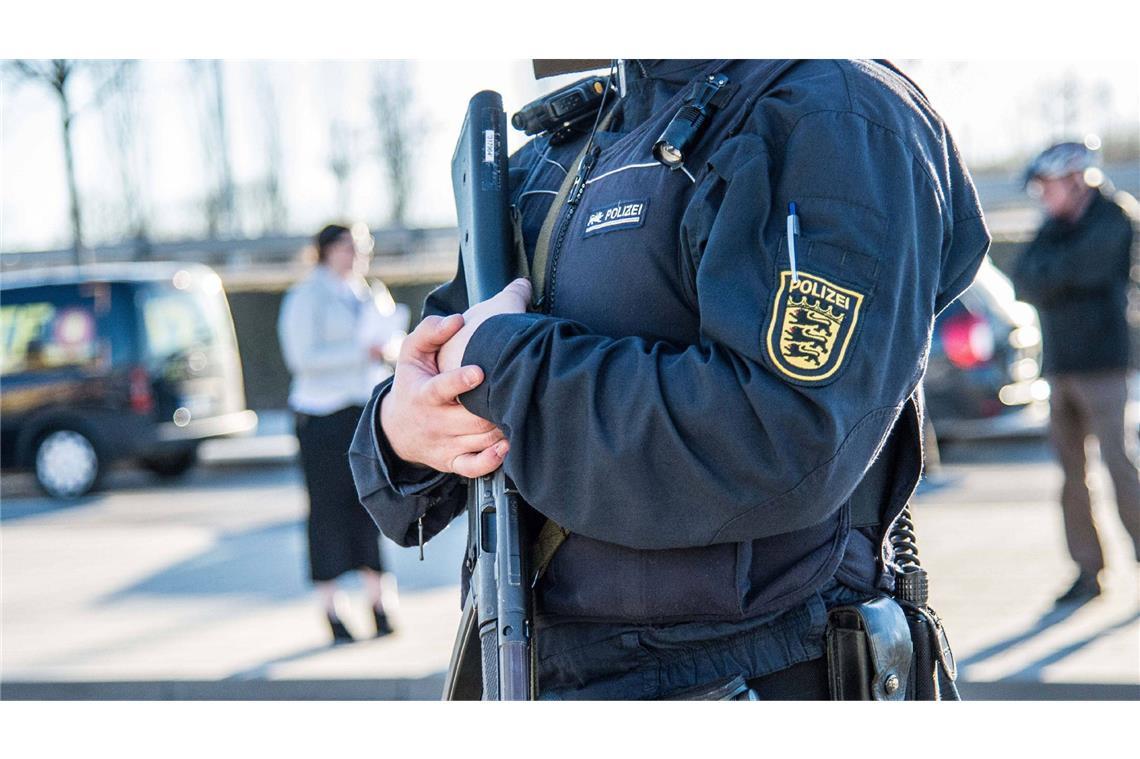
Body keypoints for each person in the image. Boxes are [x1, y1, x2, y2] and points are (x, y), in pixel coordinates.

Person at [350, 59, 990, 698]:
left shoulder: (829, 112)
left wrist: (505, 361)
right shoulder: (561, 148)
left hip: (752, 673)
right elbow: (442, 373)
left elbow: (783, 434)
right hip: (533, 671)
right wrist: (402, 429)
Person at [1011, 142, 1140, 606]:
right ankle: (1088, 571)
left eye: (1047, 187)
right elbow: (1025, 278)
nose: (1043, 197)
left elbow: (1084, 268)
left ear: (1074, 179)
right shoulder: (1053, 227)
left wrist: (1055, 276)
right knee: (1071, 476)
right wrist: (1056, 276)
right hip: (1061, 367)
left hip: (1104, 365)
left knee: (1120, 466)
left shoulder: (1113, 216)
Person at [279, 223, 408, 644]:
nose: (356, 256)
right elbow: (302, 358)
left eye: (362, 248)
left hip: (363, 410)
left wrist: (390, 351)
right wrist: (361, 351)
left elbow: (386, 342)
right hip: (321, 416)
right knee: (327, 510)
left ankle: (379, 601)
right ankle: (332, 609)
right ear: (326, 250)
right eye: (348, 248)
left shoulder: (368, 293)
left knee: (371, 503)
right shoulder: (306, 296)